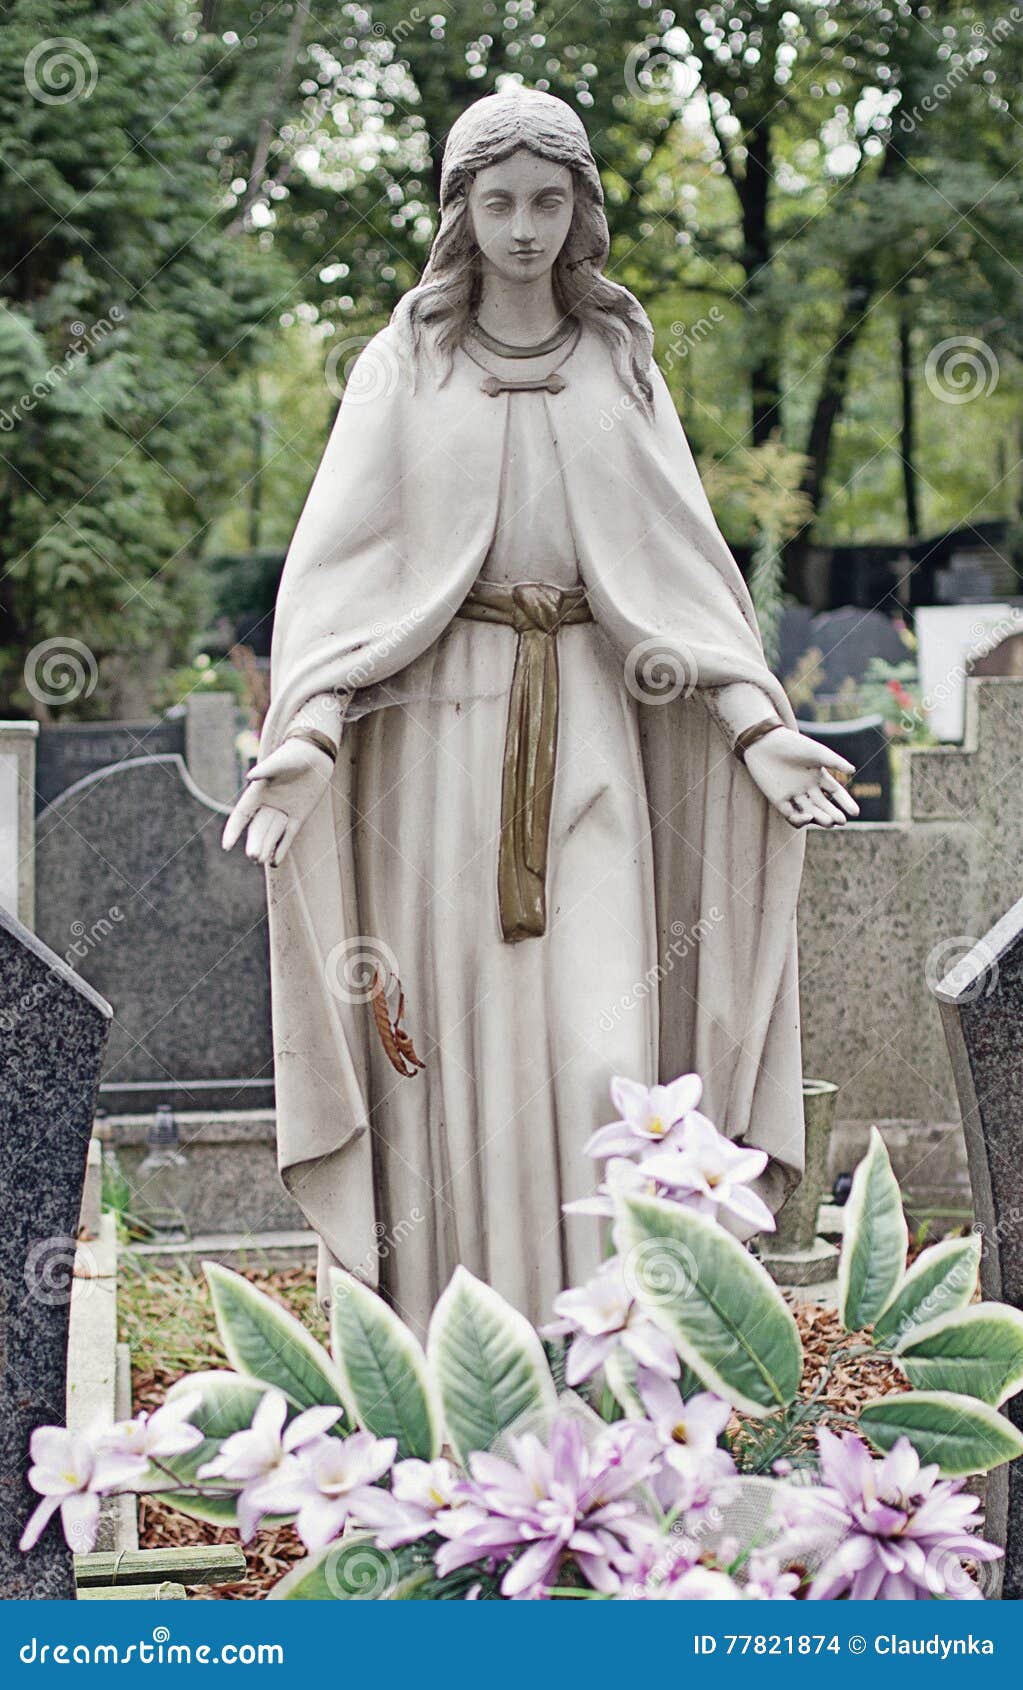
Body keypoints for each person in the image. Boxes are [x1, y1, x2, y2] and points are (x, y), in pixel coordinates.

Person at [222, 89, 857, 1334]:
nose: (522, 228)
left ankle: (622, 1375)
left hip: (597, 741)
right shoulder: (407, 363)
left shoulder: (620, 363)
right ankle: (469, 1385)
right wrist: (303, 737)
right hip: (436, 744)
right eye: (499, 201)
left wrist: (752, 720)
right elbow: (342, 574)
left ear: (581, 214)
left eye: (547, 201)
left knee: (604, 1060)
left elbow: (680, 569)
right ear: (462, 212)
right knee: (450, 1069)